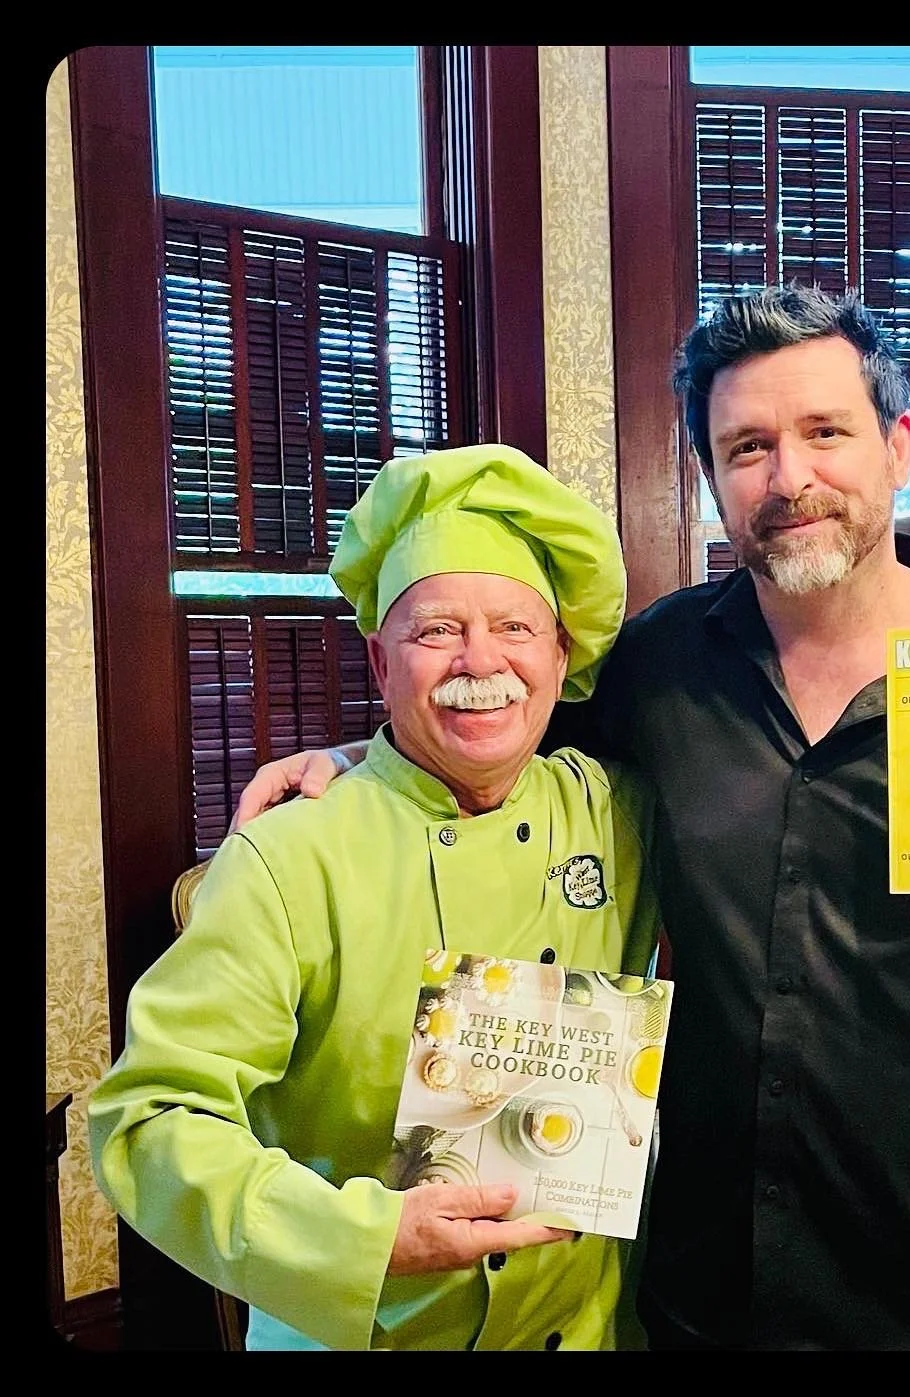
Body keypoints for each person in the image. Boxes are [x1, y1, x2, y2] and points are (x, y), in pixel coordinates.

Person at [231, 285, 910, 1351]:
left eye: (824, 433)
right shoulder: (659, 666)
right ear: (709, 479)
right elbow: (497, 722)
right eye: (747, 445)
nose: (789, 478)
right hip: (712, 1292)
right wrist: (359, 755)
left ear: (897, 446)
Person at [88, 445, 662, 1351]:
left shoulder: (623, 812)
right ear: (377, 659)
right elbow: (150, 1117)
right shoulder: (292, 853)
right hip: (364, 1329)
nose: (482, 661)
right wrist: (363, 1236)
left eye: (516, 627)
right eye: (436, 632)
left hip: (590, 1326)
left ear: (562, 653)